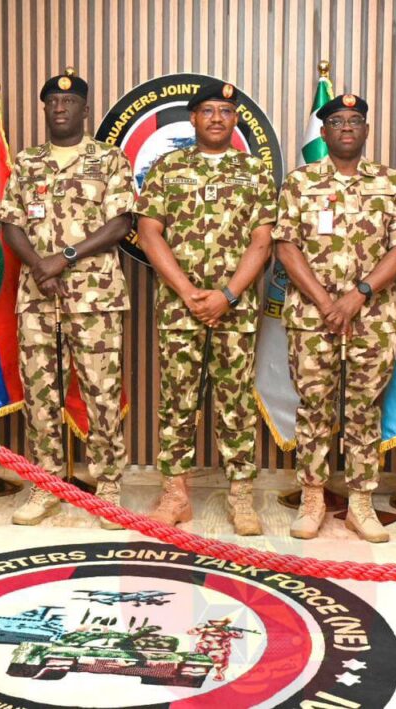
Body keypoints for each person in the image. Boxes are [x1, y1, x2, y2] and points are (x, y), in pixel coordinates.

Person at [135, 79, 276, 535]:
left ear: (235, 120)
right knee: (176, 402)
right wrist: (187, 292)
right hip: (180, 309)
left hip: (236, 310)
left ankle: (241, 496)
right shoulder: (167, 167)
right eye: (208, 111)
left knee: (236, 404)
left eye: (225, 111)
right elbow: (149, 232)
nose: (217, 118)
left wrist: (227, 295)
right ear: (193, 118)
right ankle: (175, 495)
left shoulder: (254, 171)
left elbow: (262, 240)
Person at [274, 94, 396, 542]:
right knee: (313, 407)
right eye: (337, 121)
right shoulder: (300, 182)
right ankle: (312, 499)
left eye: (355, 120)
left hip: (372, 317)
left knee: (364, 409)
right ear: (324, 133)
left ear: (367, 130)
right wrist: (325, 302)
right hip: (311, 317)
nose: (347, 127)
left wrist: (358, 295)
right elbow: (285, 246)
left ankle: (360, 503)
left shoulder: (391, 183)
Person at [0, 71, 134, 527]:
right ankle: (47, 483)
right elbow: (11, 223)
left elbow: (121, 223)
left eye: (69, 101)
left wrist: (65, 258)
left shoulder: (109, 159)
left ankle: (108, 483)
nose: (60, 107)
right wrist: (40, 266)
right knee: (40, 393)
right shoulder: (27, 161)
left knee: (102, 392)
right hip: (37, 296)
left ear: (85, 110)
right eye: (52, 102)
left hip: (95, 298)